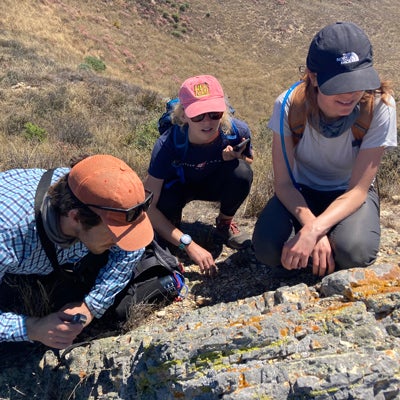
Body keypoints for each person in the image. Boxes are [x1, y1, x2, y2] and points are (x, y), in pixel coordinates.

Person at [253, 22, 397, 277]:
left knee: (354, 252)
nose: (350, 94)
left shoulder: (380, 107)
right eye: (339, 84)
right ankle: (322, 242)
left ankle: (330, 241)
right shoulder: (288, 106)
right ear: (314, 76)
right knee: (267, 249)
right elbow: (284, 184)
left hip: (348, 193)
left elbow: (358, 189)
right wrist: (314, 228)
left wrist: (313, 230)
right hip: (302, 191)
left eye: (358, 82)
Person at [0, 154, 154, 349]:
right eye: (114, 234)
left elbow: (132, 248)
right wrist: (32, 328)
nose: (121, 242)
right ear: (76, 217)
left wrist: (91, 306)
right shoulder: (8, 233)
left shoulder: (94, 193)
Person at [144, 75, 254, 276]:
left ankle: (224, 224)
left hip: (211, 181)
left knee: (242, 172)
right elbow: (147, 206)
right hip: (179, 187)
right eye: (198, 116)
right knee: (162, 211)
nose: (207, 122)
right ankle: (175, 232)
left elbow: (248, 162)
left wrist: (233, 158)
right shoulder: (168, 144)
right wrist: (188, 243)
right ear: (184, 115)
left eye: (214, 113)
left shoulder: (237, 131)